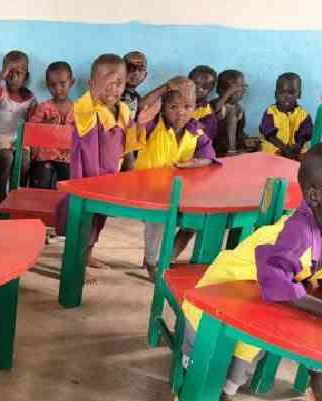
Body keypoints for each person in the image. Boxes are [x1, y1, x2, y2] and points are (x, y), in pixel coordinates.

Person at [181, 144, 322, 401]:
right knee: (212, 355)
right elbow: (277, 283)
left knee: (247, 360)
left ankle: (315, 395)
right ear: (315, 195)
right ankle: (195, 393)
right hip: (226, 289)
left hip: (267, 293)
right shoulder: (297, 233)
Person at [55, 53, 158, 269]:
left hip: (109, 178)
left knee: (98, 220)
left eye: (119, 83)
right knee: (82, 221)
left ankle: (87, 254)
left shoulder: (122, 110)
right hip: (86, 178)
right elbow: (84, 110)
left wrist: (140, 125)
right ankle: (73, 264)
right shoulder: (87, 108)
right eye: (107, 83)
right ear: (93, 84)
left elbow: (128, 142)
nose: (113, 89)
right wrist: (94, 93)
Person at [135, 78, 216, 278]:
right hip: (147, 190)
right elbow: (143, 104)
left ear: (195, 107)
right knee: (158, 223)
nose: (181, 112)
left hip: (179, 191)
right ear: (162, 108)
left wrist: (198, 162)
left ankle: (166, 258)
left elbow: (209, 156)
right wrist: (165, 87)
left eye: (188, 106)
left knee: (195, 221)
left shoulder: (196, 130)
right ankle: (152, 263)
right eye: (174, 107)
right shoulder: (154, 125)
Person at [0, 50, 36, 198]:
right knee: (7, 157)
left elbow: (32, 122)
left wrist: (34, 111)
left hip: (21, 140)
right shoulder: (2, 92)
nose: (13, 77)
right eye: (9, 73)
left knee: (25, 160)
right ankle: (2, 196)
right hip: (1, 140)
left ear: (26, 76)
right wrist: (1, 76)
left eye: (18, 73)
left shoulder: (30, 98)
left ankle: (18, 196)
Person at [27, 61, 75, 188]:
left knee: (69, 184)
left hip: (68, 158)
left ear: (72, 83)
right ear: (47, 86)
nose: (58, 89)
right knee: (41, 181)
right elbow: (31, 131)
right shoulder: (44, 107)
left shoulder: (78, 109)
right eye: (53, 85)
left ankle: (65, 206)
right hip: (45, 157)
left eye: (62, 84)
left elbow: (84, 134)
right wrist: (45, 124)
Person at [259, 72, 313, 160]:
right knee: (269, 151)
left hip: (295, 146)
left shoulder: (303, 114)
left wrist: (298, 146)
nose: (286, 96)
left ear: (299, 94)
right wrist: (284, 149)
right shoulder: (271, 112)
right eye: (282, 92)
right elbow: (269, 135)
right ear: (276, 94)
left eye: (291, 93)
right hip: (274, 144)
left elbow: (305, 134)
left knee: (306, 156)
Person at [211, 69, 254, 156]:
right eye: (232, 90)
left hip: (232, 141)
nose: (238, 93)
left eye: (240, 89)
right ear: (219, 90)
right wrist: (228, 94)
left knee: (255, 146)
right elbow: (215, 111)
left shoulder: (239, 108)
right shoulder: (214, 103)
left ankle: (234, 150)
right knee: (230, 111)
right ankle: (231, 151)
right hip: (215, 142)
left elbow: (240, 131)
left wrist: (245, 140)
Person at [188, 65, 218, 140]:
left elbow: (206, 136)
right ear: (187, 81)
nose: (199, 89)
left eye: (205, 86)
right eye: (195, 83)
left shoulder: (207, 112)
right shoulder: (174, 99)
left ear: (210, 90)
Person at [120, 51, 148, 118]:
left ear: (145, 76)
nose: (136, 72)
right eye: (130, 68)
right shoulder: (114, 93)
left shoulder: (137, 97)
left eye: (140, 69)